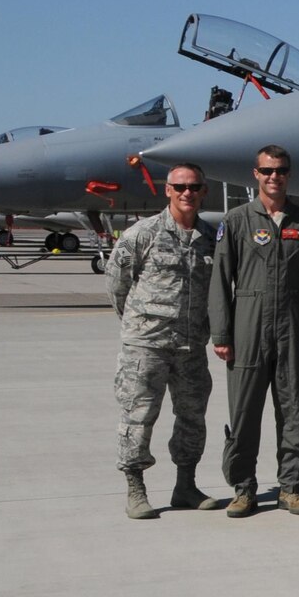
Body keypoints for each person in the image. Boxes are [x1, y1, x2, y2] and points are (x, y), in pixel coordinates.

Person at [209, 145, 299, 517]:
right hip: (248, 324)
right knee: (244, 411)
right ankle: (243, 488)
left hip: (292, 324)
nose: (273, 177)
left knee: (294, 409)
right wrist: (222, 334)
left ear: (288, 174)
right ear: (255, 174)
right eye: (266, 171)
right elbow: (220, 280)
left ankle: (291, 487)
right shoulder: (237, 221)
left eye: (280, 170)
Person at [108, 162, 221, 518]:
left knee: (192, 416)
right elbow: (117, 286)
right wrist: (140, 325)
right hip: (147, 346)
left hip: (191, 346)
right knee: (138, 415)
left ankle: (185, 485)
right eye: (180, 186)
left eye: (194, 187)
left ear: (204, 191)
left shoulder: (210, 236)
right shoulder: (142, 234)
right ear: (168, 190)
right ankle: (135, 488)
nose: (187, 192)